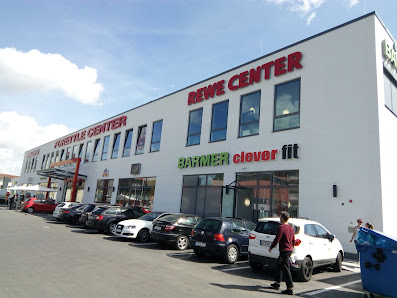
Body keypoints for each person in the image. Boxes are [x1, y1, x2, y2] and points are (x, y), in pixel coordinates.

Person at [268, 211, 295, 296]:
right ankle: (277, 283)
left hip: (284, 250)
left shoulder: (281, 227)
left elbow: (277, 239)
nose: (280, 218)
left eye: (280, 217)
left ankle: (290, 288)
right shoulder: (291, 228)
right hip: (289, 249)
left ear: (282, 218)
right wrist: (291, 248)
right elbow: (293, 240)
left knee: (286, 268)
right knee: (279, 265)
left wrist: (271, 248)